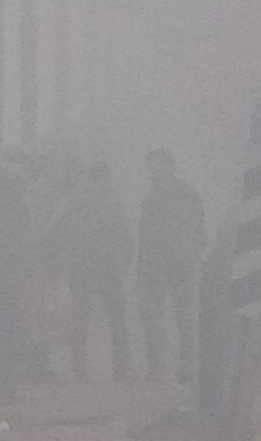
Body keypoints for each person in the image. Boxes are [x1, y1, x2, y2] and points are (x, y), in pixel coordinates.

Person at [136, 148, 208, 383]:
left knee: (183, 317)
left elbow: (199, 231)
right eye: (150, 167)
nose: (153, 172)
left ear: (169, 166)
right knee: (155, 316)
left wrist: (192, 255)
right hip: (158, 265)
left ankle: (183, 367)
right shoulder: (153, 196)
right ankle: (156, 367)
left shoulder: (186, 196)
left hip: (179, 265)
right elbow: (144, 234)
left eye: (156, 166)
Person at [62, 159, 134, 380]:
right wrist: (129, 257)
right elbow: (122, 229)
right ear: (106, 177)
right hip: (107, 267)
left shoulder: (75, 199)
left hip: (80, 267)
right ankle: (122, 368)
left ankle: (79, 371)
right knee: (118, 318)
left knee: (80, 319)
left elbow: (66, 233)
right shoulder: (112, 199)